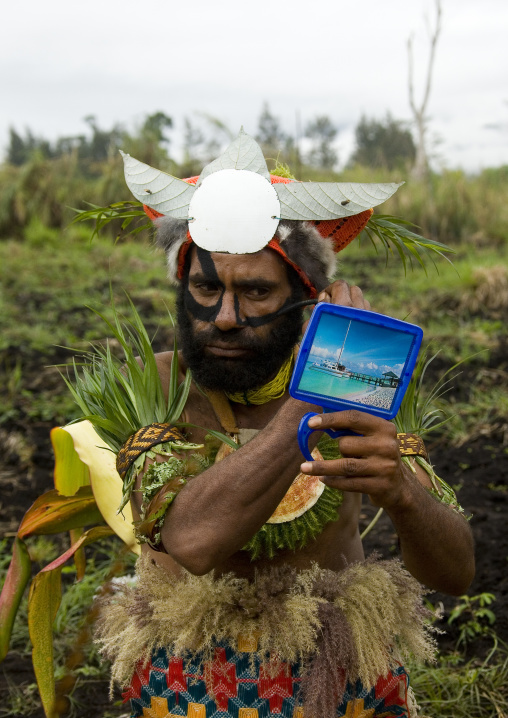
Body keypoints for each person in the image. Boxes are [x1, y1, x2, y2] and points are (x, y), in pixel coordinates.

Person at [96, 131, 475, 718]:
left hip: (334, 683)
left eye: (255, 291)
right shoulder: (156, 389)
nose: (224, 317)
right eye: (205, 287)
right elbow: (193, 543)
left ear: (307, 297)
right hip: (187, 687)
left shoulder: (365, 385)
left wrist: (400, 492)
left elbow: (455, 571)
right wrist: (314, 397)